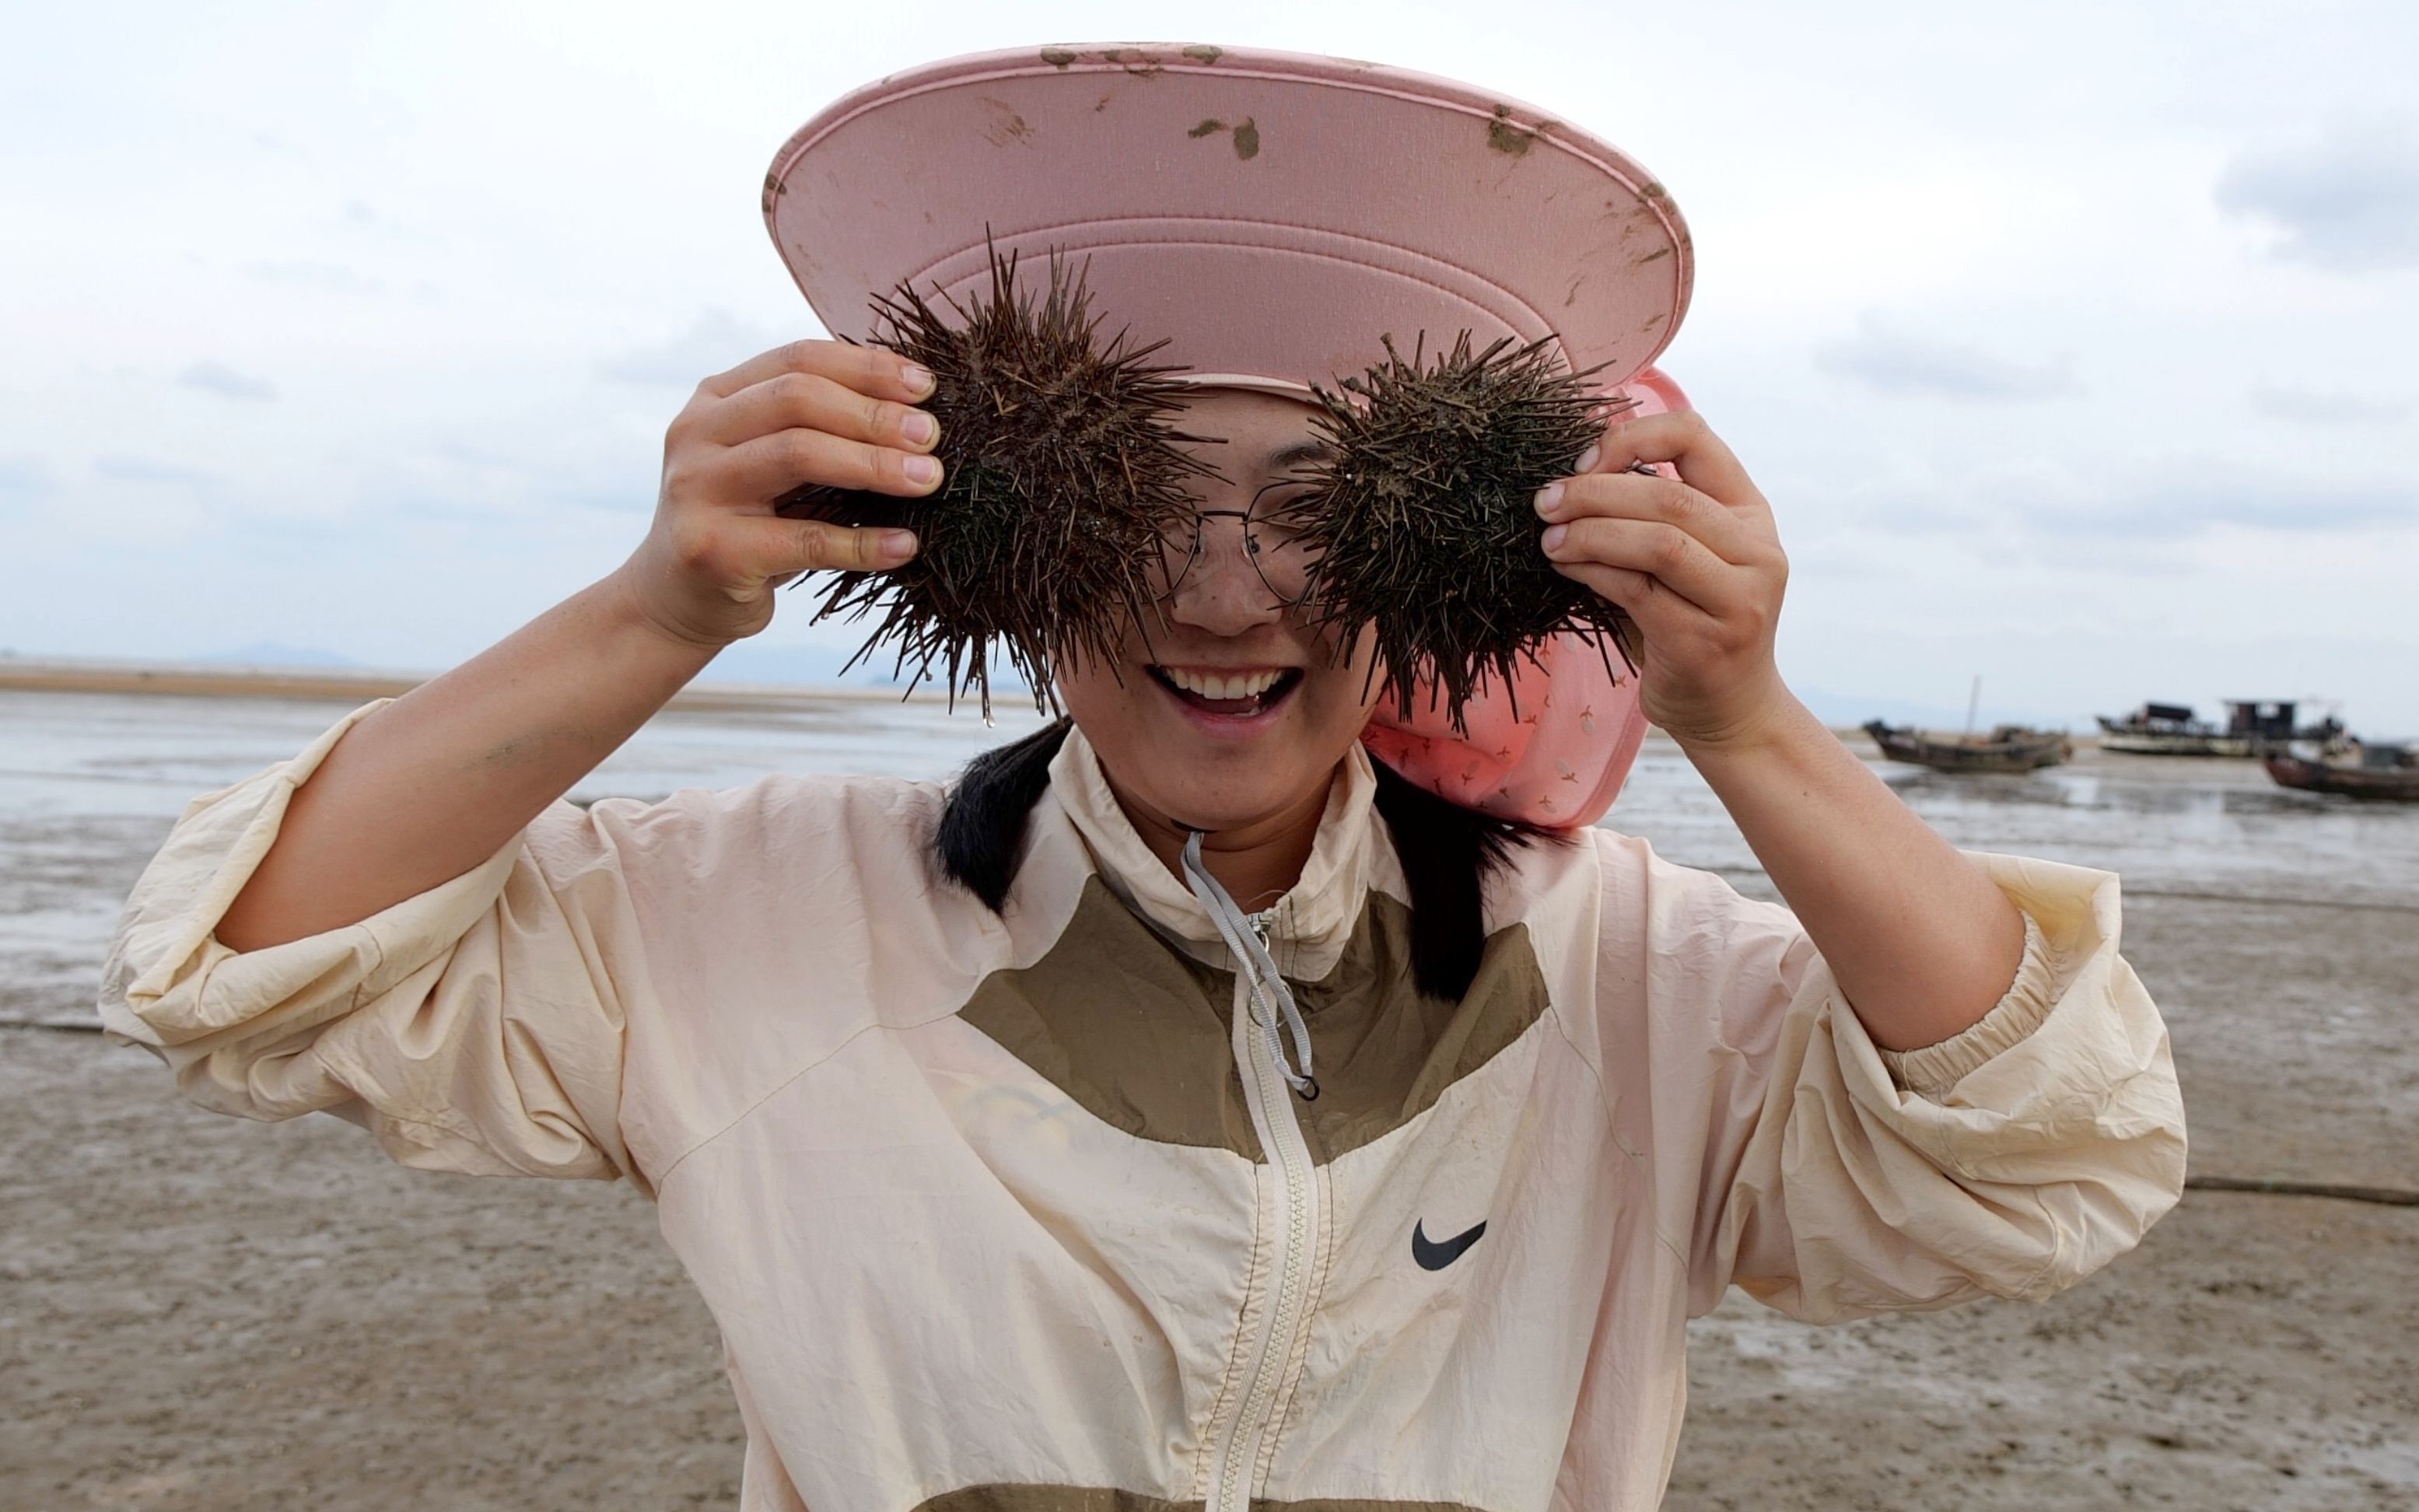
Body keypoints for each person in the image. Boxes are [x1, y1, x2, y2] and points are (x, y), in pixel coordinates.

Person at [100, 44, 2183, 1512]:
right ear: (1002, 550)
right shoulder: (748, 916)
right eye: (1145, 502)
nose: (1225, 587)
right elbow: (261, 965)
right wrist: (660, 607)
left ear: (1434, 564)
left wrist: (1747, 724)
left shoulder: (1633, 976)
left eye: (1309, 505)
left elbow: (2039, 1161)